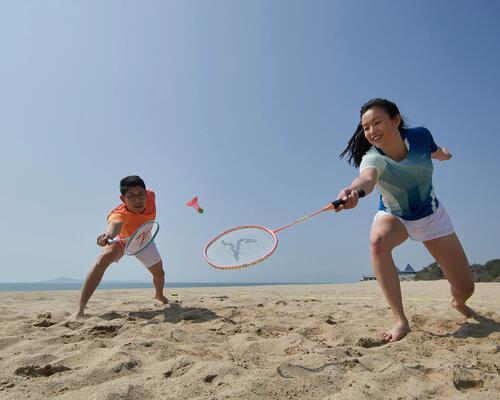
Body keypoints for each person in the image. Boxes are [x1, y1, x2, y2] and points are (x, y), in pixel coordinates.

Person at [332, 98, 475, 342]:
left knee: (466, 287)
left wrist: (444, 155)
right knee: (377, 242)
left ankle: (458, 302)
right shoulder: (372, 158)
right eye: (366, 127)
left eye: (377, 122)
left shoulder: (420, 136)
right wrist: (353, 191)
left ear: (396, 119)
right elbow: (366, 178)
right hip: (395, 215)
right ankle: (400, 320)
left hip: (431, 216)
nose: (371, 131)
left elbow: (435, 151)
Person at [72, 175, 168, 319]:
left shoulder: (151, 196)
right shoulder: (119, 214)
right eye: (131, 196)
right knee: (102, 260)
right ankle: (80, 309)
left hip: (144, 239)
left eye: (141, 195)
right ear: (123, 198)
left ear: (145, 193)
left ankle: (159, 296)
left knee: (159, 274)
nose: (138, 200)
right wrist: (108, 236)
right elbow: (115, 225)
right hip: (124, 240)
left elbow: (145, 195)